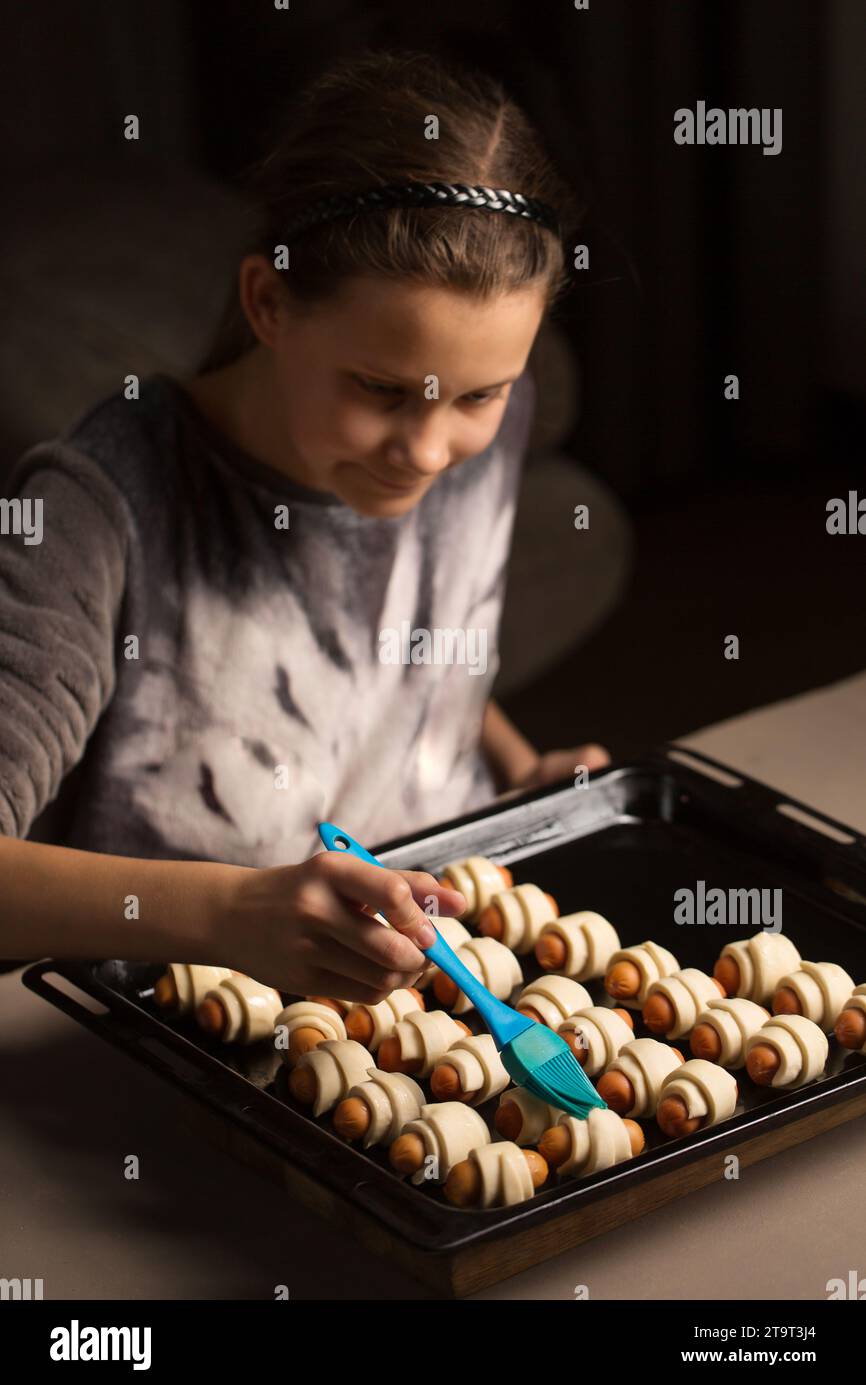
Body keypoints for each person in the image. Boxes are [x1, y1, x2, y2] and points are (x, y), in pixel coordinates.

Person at [0, 49, 609, 999]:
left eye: (479, 395)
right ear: (269, 302)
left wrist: (521, 768)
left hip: (449, 979)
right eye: (379, 390)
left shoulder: (479, 423)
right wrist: (230, 915)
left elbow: (391, 655)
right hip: (190, 1028)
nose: (427, 449)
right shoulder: (95, 508)